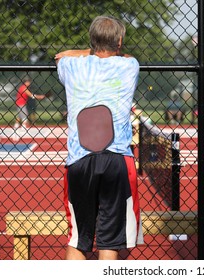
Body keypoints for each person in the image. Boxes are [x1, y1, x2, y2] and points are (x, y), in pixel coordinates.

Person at [55, 15, 143, 260]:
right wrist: (108, 47)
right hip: (117, 160)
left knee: (78, 239)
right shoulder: (129, 65)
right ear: (120, 41)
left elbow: (61, 55)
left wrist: (90, 49)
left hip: (80, 160)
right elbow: (123, 55)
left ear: (91, 41)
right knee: (111, 241)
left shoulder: (71, 65)